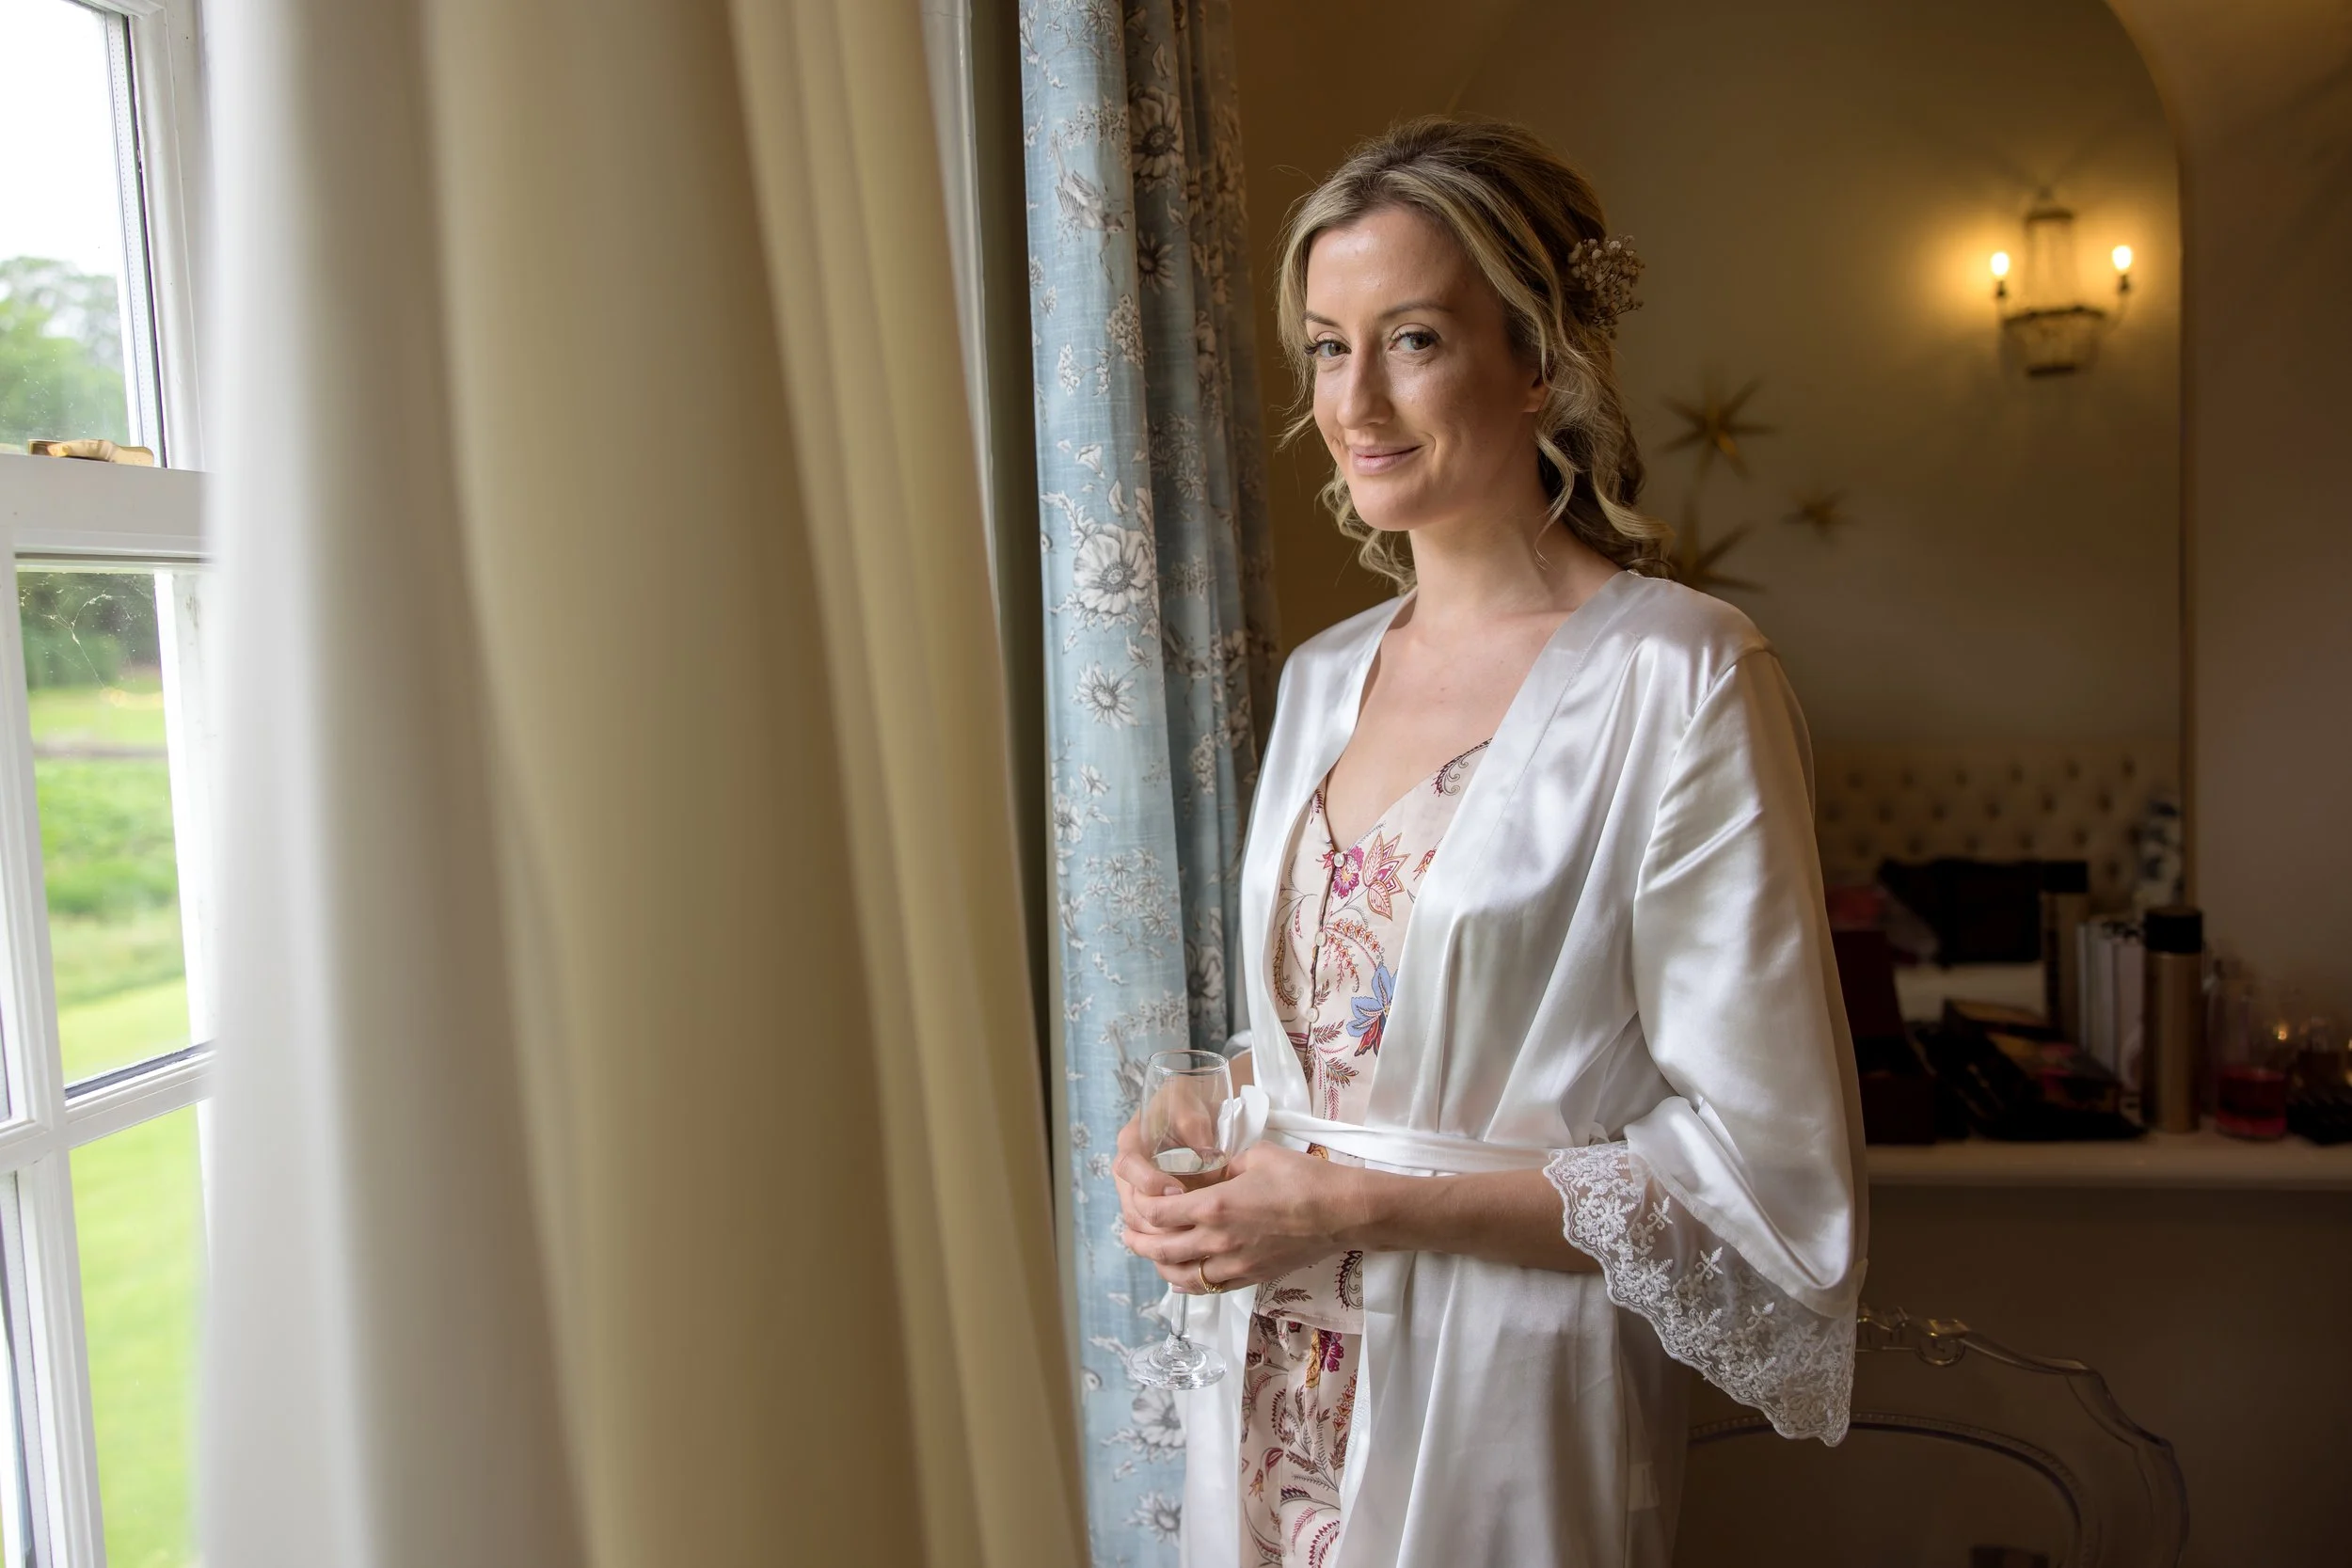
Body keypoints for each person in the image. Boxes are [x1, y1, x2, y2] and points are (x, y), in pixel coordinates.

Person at [1111, 117, 1868, 1568]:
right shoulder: (1324, 678)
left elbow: (1763, 1169)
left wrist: (1352, 1199)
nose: (1357, 401)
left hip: (1498, 1398)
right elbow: (1341, 1040)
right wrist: (1203, 1119)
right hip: (1272, 1385)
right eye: (1329, 347)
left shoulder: (1682, 676)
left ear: (1539, 358)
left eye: (1411, 338)